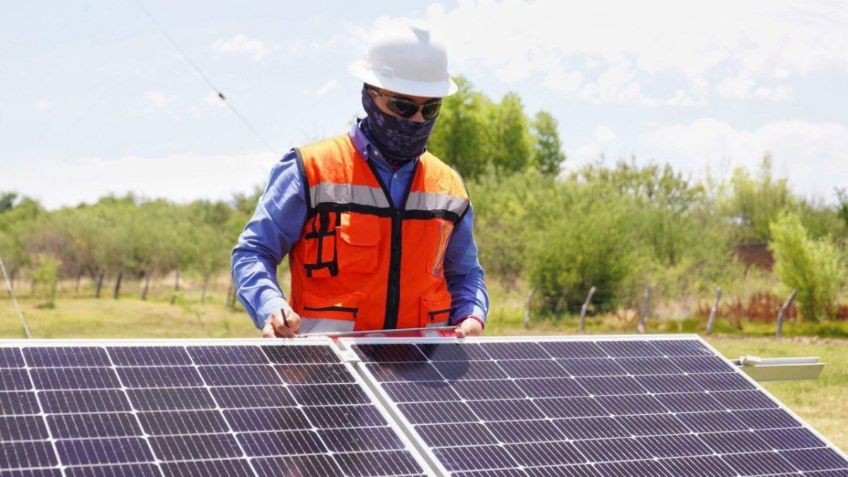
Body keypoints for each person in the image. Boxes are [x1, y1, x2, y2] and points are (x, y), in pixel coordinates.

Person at [231, 19, 488, 339]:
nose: (418, 119)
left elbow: (466, 274)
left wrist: (473, 315)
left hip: (422, 377)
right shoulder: (311, 170)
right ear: (369, 95)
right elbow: (254, 252)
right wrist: (270, 306)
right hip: (326, 375)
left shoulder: (449, 186)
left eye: (431, 108)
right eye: (403, 106)